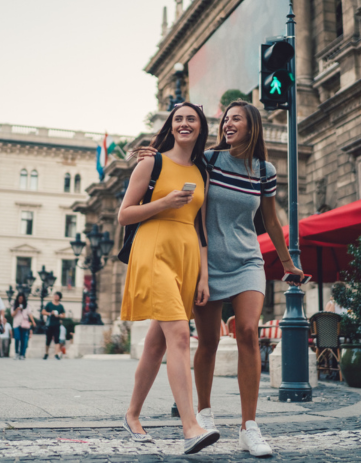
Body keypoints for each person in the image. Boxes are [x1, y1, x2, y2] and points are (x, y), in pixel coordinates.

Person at [137, 100, 304, 458]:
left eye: (236, 119)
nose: (227, 124)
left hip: (247, 260)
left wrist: (288, 262)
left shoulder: (265, 170)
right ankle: (204, 413)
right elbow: (174, 158)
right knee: (209, 340)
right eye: (225, 119)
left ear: (251, 126)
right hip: (206, 263)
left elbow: (271, 221)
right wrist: (153, 153)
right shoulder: (209, 161)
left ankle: (249, 428)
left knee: (246, 330)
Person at [119, 102, 219, 455]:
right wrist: (164, 203)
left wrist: (204, 276)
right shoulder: (152, 162)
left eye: (191, 118)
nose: (184, 123)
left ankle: (131, 415)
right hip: (153, 252)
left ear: (201, 127)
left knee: (157, 343)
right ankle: (190, 426)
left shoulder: (202, 171)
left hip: (186, 258)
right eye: (178, 119)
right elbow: (124, 215)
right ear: (171, 126)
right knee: (178, 334)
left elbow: (202, 227)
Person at [11, 293, 36, 359]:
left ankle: (22, 354)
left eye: (22, 299)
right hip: (16, 324)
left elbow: (30, 314)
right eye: (19, 298)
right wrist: (17, 309)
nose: (20, 300)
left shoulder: (27, 306)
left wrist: (33, 321)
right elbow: (12, 315)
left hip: (24, 325)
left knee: (23, 340)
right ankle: (16, 353)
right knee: (17, 338)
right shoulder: (14, 306)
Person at [42, 292, 65, 360]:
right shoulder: (49, 304)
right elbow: (43, 312)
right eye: (55, 295)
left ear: (59, 297)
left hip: (57, 324)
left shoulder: (60, 306)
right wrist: (50, 313)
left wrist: (60, 315)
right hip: (49, 324)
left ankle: (56, 354)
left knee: (57, 339)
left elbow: (64, 315)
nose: (55, 296)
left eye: (57, 296)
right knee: (48, 339)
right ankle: (46, 353)